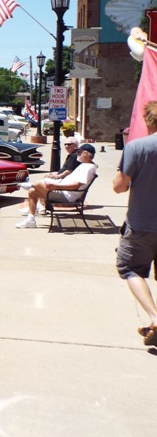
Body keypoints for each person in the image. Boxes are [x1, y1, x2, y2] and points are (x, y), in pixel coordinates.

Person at [112, 100, 157, 347]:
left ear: (148, 121)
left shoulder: (137, 147)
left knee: (131, 269)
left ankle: (155, 317)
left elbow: (120, 186)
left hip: (142, 224)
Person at [16, 143, 97, 229]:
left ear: (85, 154)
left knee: (37, 184)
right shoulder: (85, 165)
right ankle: (31, 220)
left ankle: (31, 185)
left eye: (79, 152)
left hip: (67, 195)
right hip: (63, 190)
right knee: (32, 191)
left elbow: (76, 186)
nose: (77, 154)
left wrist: (56, 186)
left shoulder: (88, 168)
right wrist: (56, 183)